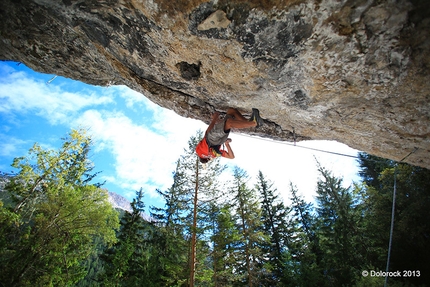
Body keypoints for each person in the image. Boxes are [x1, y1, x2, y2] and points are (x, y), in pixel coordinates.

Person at [196, 108, 262, 163]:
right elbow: (207, 134)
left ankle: (250, 122)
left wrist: (227, 144)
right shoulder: (198, 151)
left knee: (231, 113)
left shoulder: (214, 155)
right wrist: (214, 119)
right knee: (229, 122)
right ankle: (254, 122)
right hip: (211, 139)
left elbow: (231, 157)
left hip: (220, 141)